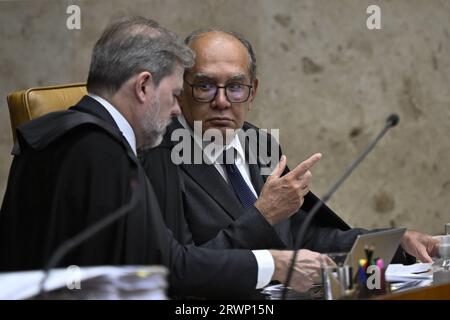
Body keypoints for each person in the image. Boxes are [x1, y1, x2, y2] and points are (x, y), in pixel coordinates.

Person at [0, 17, 325, 298]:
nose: (175, 111)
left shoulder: (62, 134)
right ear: (143, 86)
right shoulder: (101, 150)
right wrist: (274, 263)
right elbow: (168, 270)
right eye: (173, 95)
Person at [141, 29, 440, 264]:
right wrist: (263, 215)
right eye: (205, 86)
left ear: (252, 92)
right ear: (181, 90)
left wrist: (392, 242)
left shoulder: (260, 143)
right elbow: (180, 268)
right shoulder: (157, 155)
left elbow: (301, 236)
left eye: (235, 87)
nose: (222, 102)